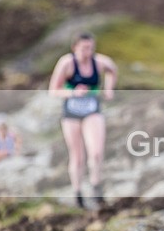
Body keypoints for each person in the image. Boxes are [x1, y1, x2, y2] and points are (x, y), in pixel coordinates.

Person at [48, 32, 118, 208]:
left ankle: (96, 187)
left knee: (96, 152)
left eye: (91, 48)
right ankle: (78, 193)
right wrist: (72, 92)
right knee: (77, 156)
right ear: (75, 48)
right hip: (71, 112)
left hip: (92, 110)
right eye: (84, 48)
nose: (88, 52)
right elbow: (53, 90)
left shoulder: (100, 62)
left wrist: (109, 89)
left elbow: (112, 70)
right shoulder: (66, 63)